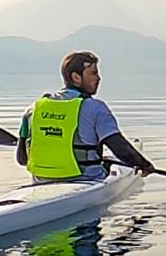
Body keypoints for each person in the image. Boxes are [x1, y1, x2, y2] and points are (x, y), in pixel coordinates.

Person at [16, 51, 157, 182]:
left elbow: (22, 159)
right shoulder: (95, 108)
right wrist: (144, 165)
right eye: (93, 73)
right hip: (86, 180)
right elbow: (119, 147)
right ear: (76, 77)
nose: (99, 78)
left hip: (41, 181)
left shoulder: (33, 110)